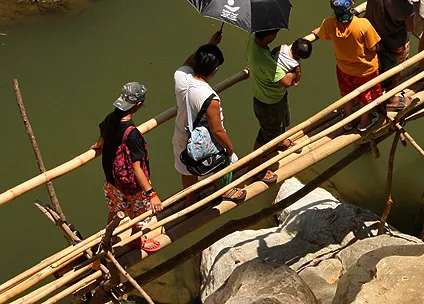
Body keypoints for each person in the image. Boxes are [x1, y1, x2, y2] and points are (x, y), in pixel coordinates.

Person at [173, 31, 246, 204]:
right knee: (224, 160)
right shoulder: (209, 97)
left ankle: (190, 200)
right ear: (215, 70)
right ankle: (223, 190)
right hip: (202, 140)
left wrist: (210, 45)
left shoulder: (180, 76)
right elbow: (217, 130)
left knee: (186, 167)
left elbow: (189, 61)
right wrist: (229, 148)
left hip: (181, 134)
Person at [92, 82, 162, 253]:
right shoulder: (132, 134)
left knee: (115, 208)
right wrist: (151, 194)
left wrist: (99, 144)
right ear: (138, 105)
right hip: (130, 185)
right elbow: (136, 167)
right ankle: (137, 239)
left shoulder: (110, 118)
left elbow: (102, 133)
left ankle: (109, 235)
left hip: (112, 180)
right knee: (139, 213)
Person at [313, 0, 383, 132]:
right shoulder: (363, 25)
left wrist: (317, 32)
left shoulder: (328, 24)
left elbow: (322, 35)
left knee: (348, 94)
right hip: (365, 70)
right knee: (366, 97)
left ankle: (348, 121)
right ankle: (364, 123)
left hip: (344, 68)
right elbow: (373, 48)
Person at [360, 0, 424, 110]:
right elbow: (409, 27)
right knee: (396, 70)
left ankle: (373, 88)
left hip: (373, 35)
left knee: (377, 63)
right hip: (394, 43)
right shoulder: (407, 9)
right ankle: (390, 99)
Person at [245, 30, 306, 184]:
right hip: (269, 102)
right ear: (269, 37)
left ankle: (280, 140)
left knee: (280, 121)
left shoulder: (252, 40)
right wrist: (295, 70)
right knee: (265, 135)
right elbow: (286, 82)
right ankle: (255, 169)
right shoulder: (266, 61)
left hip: (267, 96)